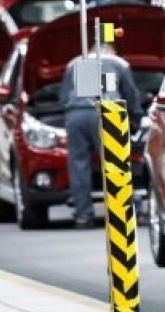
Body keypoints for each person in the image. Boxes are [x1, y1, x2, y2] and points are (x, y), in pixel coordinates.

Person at [59, 42, 142, 228]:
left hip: (76, 116)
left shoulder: (75, 63)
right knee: (114, 162)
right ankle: (124, 211)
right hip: (106, 113)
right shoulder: (118, 62)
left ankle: (83, 216)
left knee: (78, 165)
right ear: (112, 49)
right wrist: (136, 118)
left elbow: (63, 96)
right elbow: (131, 95)